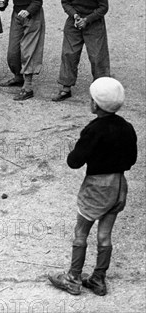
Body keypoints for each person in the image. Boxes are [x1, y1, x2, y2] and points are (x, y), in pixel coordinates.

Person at [48, 77, 137, 296]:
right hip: (119, 185)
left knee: (81, 232)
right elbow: (132, 159)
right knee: (105, 235)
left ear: (96, 104)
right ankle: (98, 279)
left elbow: (74, 161)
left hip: (96, 186)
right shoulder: (127, 128)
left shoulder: (94, 130)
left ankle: (73, 277)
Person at [53, 0, 110, 101]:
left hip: (94, 23)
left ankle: (101, 91)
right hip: (74, 23)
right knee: (69, 54)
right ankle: (66, 87)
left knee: (97, 56)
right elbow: (65, 2)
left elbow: (103, 7)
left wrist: (88, 19)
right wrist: (75, 16)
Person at [0, 0, 46, 101]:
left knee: (28, 51)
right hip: (17, 15)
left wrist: (29, 11)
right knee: (13, 52)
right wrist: (1, 3)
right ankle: (18, 77)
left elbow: (38, 0)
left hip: (33, 17)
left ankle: (28, 87)